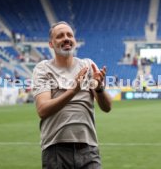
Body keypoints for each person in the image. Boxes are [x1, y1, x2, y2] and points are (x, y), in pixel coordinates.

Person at [32, 21, 112, 169]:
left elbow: (107, 107)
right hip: (55, 150)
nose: (66, 38)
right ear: (51, 44)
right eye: (60, 36)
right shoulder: (43, 69)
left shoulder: (87, 66)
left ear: (74, 41)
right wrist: (73, 91)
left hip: (88, 149)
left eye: (70, 35)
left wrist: (99, 88)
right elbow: (42, 110)